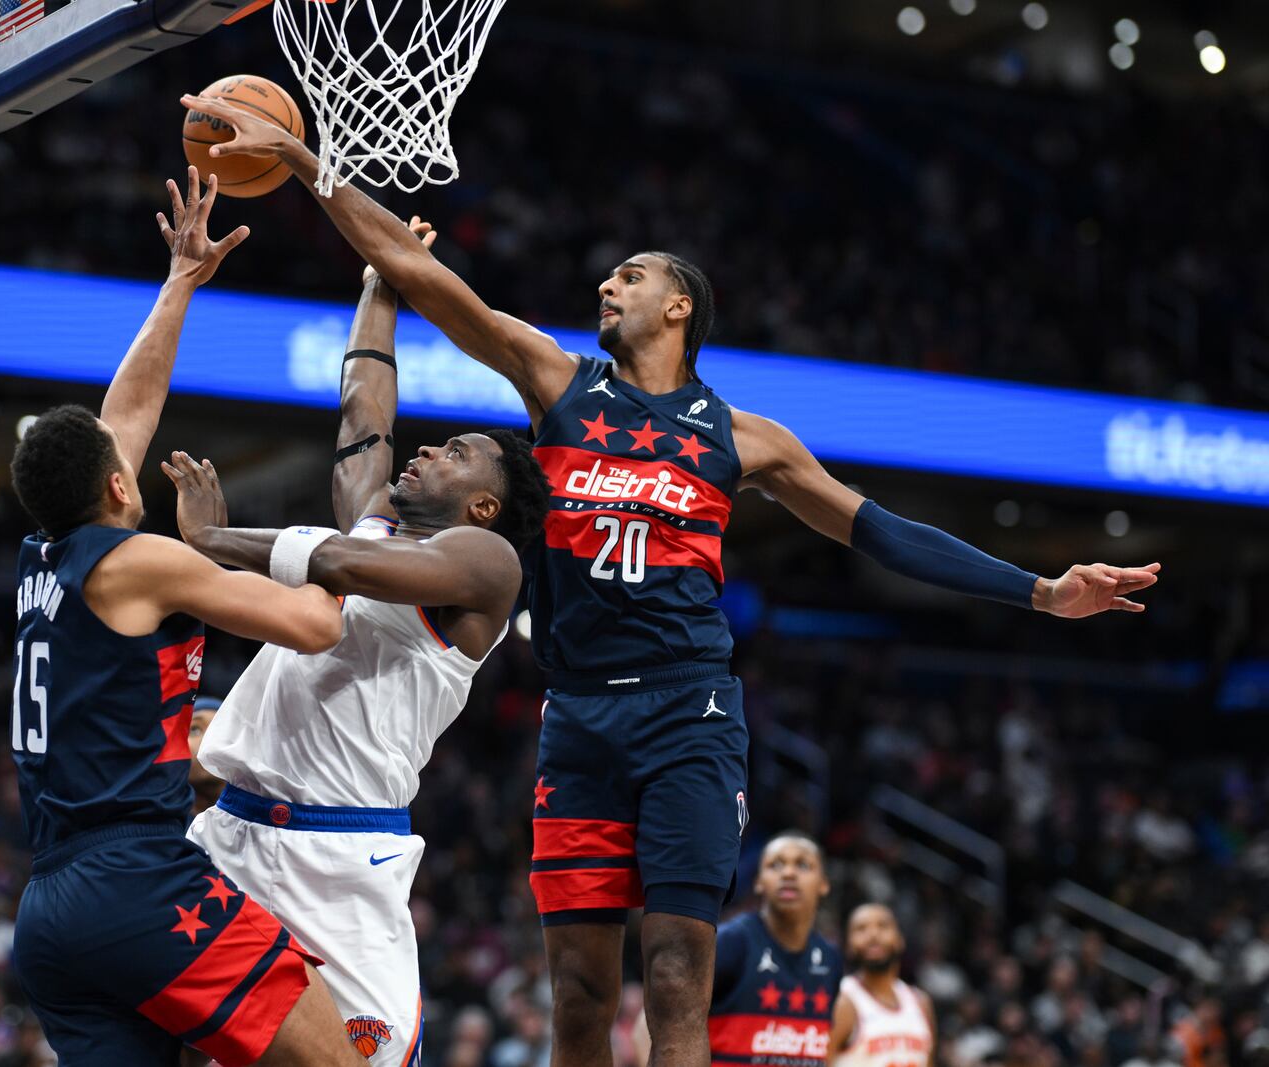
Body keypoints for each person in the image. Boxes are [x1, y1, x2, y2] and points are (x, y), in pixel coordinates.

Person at [179, 90, 1166, 1067]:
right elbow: (411, 268)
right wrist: (310, 168)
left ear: (678, 305)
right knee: (576, 994)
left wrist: (1039, 590)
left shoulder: (744, 438)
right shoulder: (558, 384)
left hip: (685, 711)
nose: (607, 285)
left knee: (678, 982)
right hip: (576, 714)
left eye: (631, 275)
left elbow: (882, 532)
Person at [164, 220, 551, 1066]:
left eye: (457, 454)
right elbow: (363, 409)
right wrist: (381, 283)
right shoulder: (381, 523)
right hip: (225, 833)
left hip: (339, 862)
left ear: (485, 505)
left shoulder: (485, 565)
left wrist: (212, 541)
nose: (429, 450)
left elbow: (339, 559)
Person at [5, 167, 362, 1067]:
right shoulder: (144, 559)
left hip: (50, 906)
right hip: (138, 882)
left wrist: (180, 284)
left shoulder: (43, 555)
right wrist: (337, 544)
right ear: (120, 486)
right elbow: (318, 624)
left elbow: (121, 419)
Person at [635, 833, 841, 1066]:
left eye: (802, 865)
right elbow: (647, 1027)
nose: (788, 873)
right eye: (776, 865)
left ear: (824, 883)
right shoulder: (732, 942)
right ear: (759, 882)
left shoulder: (830, 958)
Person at [830, 904, 935, 1067]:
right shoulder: (841, 1002)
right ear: (848, 946)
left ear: (900, 940)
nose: (873, 935)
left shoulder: (920, 1002)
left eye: (883, 926)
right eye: (861, 929)